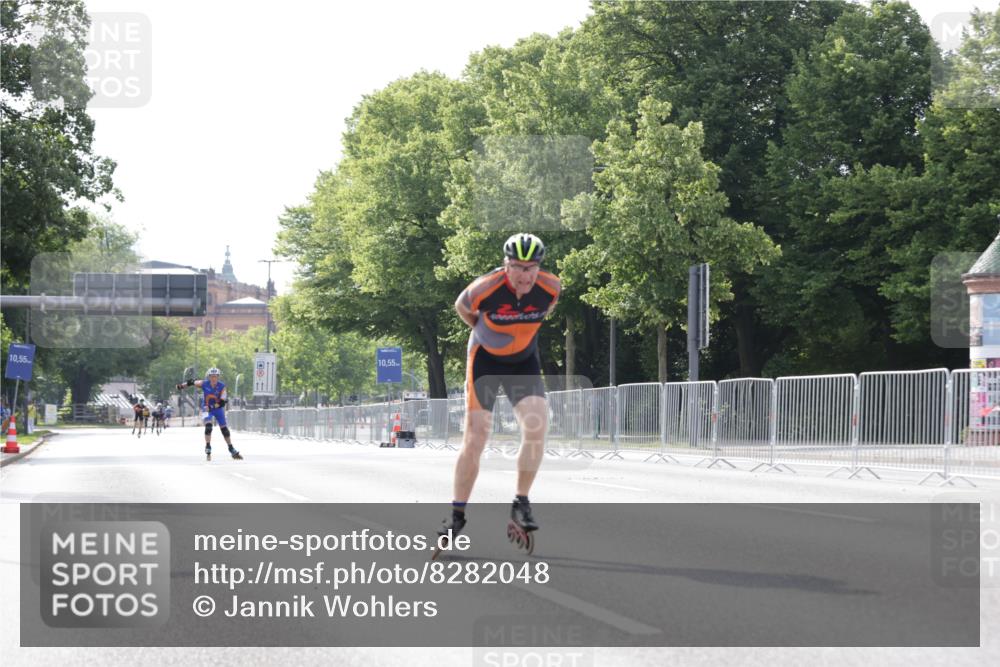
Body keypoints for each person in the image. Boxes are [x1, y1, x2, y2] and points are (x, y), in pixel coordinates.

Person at [439, 233, 560, 542]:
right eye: (518, 267)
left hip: (523, 362)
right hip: (485, 361)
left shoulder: (550, 288)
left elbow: (542, 314)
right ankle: (457, 516)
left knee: (538, 425)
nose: (526, 275)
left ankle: (521, 502)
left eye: (532, 267)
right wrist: (486, 333)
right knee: (476, 436)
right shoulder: (485, 288)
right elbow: (462, 307)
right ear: (506, 265)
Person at [176, 367, 242, 461]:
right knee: (208, 427)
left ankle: (231, 448)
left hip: (217, 408)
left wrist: (211, 407)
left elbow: (222, 402)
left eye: (215, 377)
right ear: (209, 377)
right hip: (206, 408)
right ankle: (208, 446)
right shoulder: (204, 383)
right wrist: (181, 386)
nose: (213, 379)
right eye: (212, 377)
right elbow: (192, 382)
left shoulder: (222, 386)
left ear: (218, 377)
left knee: (225, 430)